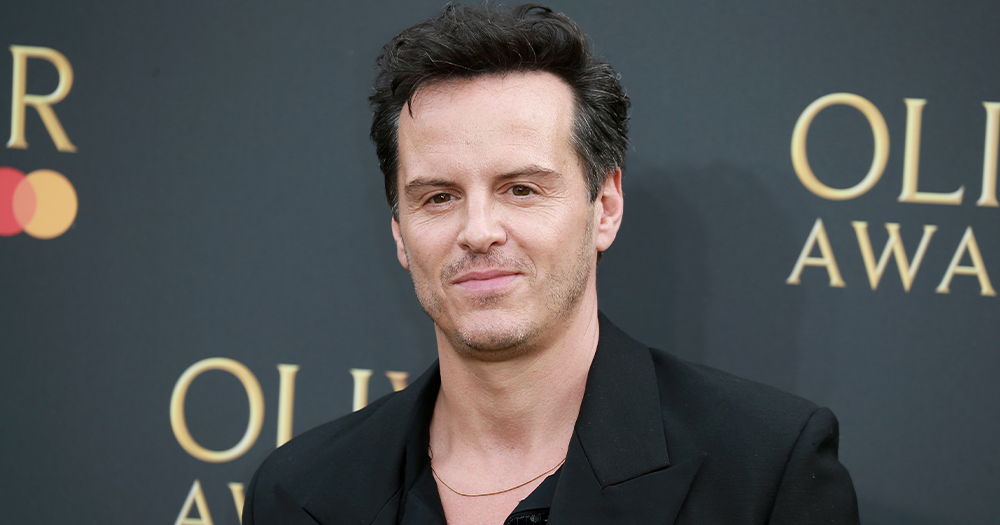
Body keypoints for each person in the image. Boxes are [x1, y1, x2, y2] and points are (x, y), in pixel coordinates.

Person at [242, 4, 859, 524]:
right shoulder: (300, 493)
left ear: (606, 207)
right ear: (401, 233)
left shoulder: (764, 471)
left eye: (522, 189)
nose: (478, 232)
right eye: (439, 197)